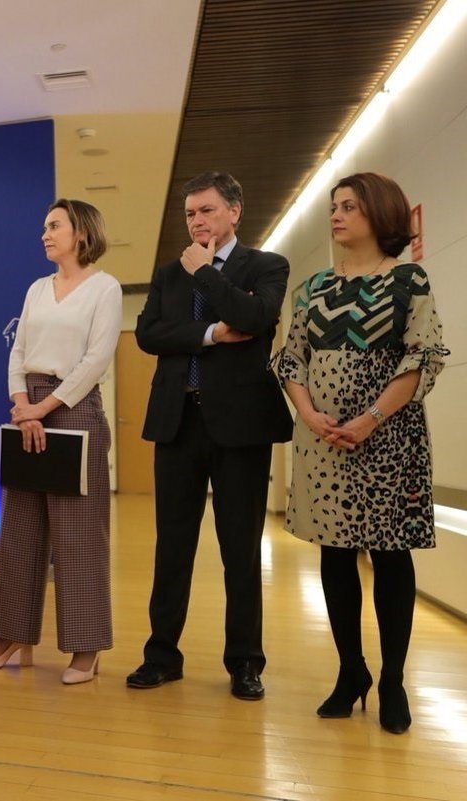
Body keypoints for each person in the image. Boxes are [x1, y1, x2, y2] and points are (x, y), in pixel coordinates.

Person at [276, 172, 446, 734]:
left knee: (391, 556)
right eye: (334, 206)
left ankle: (393, 680)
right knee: (335, 553)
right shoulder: (313, 287)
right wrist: (308, 413)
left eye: (349, 206)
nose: (337, 215)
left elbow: (423, 357)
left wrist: (370, 418)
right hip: (324, 440)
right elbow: (290, 360)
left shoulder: (407, 279)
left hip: (389, 438)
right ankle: (352, 671)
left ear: (380, 212)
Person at [128, 171, 293, 700]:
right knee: (172, 546)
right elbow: (149, 334)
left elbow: (255, 316)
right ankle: (161, 655)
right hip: (178, 422)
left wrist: (205, 273)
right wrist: (212, 334)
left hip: (241, 427)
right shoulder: (167, 274)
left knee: (239, 549)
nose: (196, 221)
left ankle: (245, 662)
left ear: (234, 212)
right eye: (190, 213)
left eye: (206, 210)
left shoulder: (266, 266)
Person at [0, 199, 121, 684]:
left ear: (82, 233)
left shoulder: (105, 288)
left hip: (75, 410)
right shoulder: (37, 288)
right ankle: (9, 636)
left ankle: (86, 647)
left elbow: (96, 359)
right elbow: (18, 352)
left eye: (54, 226)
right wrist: (23, 405)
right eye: (44, 226)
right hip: (28, 409)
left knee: (79, 535)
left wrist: (44, 407)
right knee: (19, 531)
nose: (45, 234)